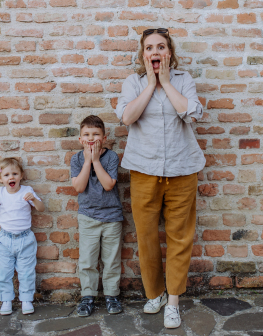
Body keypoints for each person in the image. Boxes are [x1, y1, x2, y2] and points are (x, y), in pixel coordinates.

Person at [115, 28, 205, 329]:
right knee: (147, 236)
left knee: (180, 237)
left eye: (161, 46)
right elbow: (127, 118)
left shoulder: (184, 81)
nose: (155, 51)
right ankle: (155, 294)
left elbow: (191, 114)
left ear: (170, 52)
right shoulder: (134, 82)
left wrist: (165, 83)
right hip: (144, 170)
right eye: (150, 47)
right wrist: (151, 84)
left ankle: (174, 301)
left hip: (182, 170)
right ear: (144, 54)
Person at [70, 115, 123, 317]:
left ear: (105, 137)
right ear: (80, 139)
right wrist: (87, 162)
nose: (91, 138)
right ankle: (88, 296)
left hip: (111, 217)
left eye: (96, 134)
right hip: (88, 217)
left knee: (111, 260)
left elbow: (108, 185)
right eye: (86, 134)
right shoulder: (76, 159)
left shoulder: (111, 157)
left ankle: (111, 295)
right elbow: (79, 186)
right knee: (88, 260)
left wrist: (95, 160)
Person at [0, 157, 45, 316]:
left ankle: (26, 299)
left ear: (21, 175)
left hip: (25, 239)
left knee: (26, 272)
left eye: (15, 173)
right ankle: (6, 300)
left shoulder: (26, 191)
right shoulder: (0, 193)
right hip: (5, 239)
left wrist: (34, 200)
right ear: (0, 178)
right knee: (4, 272)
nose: (11, 177)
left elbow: (41, 208)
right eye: (7, 175)